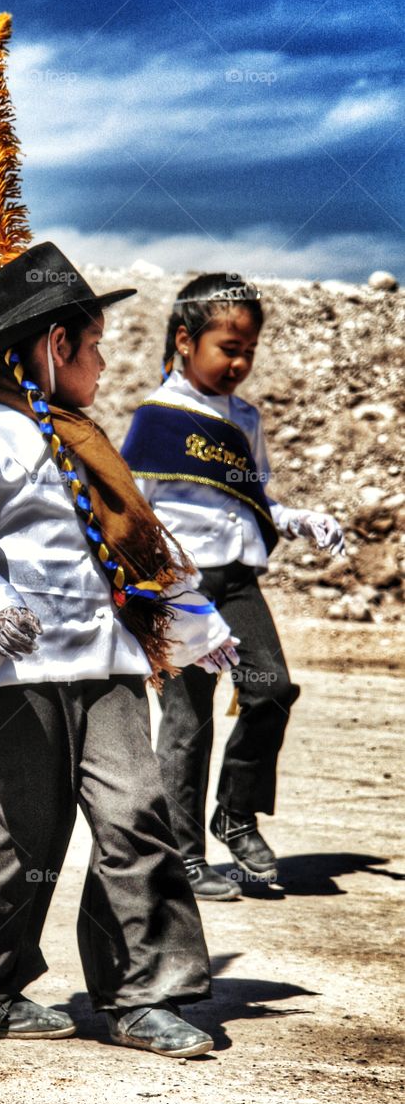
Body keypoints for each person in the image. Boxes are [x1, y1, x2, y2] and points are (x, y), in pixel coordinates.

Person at [0, 241, 240, 1057]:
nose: (102, 362)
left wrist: (198, 629)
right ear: (55, 348)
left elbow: (141, 551)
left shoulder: (89, 445)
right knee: (23, 830)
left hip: (104, 666)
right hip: (15, 671)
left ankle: (141, 995)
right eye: (93, 345)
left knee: (137, 812)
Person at [122, 274, 345, 901]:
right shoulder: (157, 419)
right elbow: (136, 512)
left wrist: (296, 518)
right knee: (188, 722)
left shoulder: (245, 417)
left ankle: (236, 812)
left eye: (249, 350)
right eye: (228, 347)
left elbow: (254, 498)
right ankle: (184, 856)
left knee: (270, 686)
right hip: (181, 588)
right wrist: (164, 594)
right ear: (186, 341)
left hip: (239, 580)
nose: (240, 362)